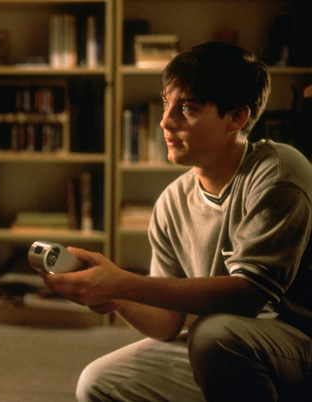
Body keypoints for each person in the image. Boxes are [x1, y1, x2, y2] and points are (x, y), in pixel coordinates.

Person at [41, 41, 312, 401]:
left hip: (296, 343)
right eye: (167, 104)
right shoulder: (172, 201)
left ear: (236, 118)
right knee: (98, 382)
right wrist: (113, 294)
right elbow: (167, 322)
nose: (165, 121)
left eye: (187, 108)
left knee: (213, 335)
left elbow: (249, 296)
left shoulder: (279, 171)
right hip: (222, 347)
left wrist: (123, 283)